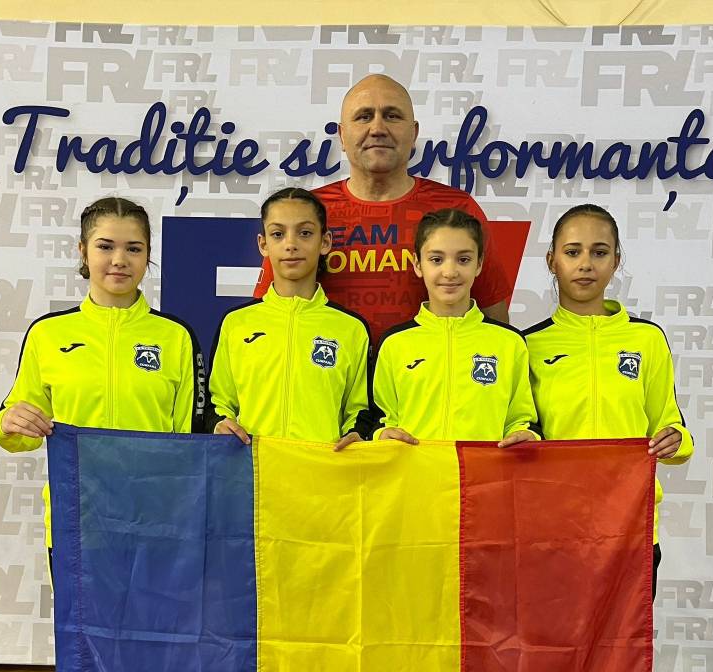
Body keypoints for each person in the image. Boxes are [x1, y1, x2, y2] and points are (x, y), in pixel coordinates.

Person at [0, 196, 206, 672]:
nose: (119, 260)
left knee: (150, 669)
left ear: (148, 258)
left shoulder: (174, 337)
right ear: (83, 253)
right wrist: (11, 421)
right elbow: (15, 421)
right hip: (81, 531)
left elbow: (187, 439)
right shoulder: (49, 335)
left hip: (157, 532)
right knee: (91, 670)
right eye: (106, 246)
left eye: (133, 248)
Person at [525, 202, 693, 672]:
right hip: (552, 546)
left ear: (616, 261)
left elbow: (672, 425)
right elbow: (518, 433)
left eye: (599, 251)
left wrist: (672, 441)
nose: (585, 263)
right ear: (551, 262)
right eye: (572, 251)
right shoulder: (528, 346)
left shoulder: (645, 341)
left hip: (627, 541)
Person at [255, 75, 513, 348]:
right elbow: (268, 315)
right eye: (364, 117)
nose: (377, 128)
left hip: (426, 373)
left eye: (392, 116)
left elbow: (494, 324)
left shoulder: (456, 209)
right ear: (342, 135)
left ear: (414, 133)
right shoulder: (306, 214)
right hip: (327, 372)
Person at [206, 186, 370, 449]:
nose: (291, 244)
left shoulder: (351, 328)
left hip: (322, 468)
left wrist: (358, 433)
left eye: (305, 233)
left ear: (325, 242)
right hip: (252, 467)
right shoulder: (236, 323)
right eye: (278, 234)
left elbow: (360, 410)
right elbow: (217, 403)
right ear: (263, 244)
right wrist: (219, 424)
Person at [372, 207, 537, 446]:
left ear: (479, 264)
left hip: (481, 470)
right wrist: (381, 433)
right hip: (415, 469)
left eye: (463, 259)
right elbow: (380, 419)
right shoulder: (394, 343)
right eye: (436, 260)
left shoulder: (510, 342)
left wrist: (525, 434)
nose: (450, 272)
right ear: (417, 264)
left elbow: (522, 420)